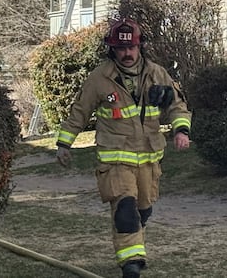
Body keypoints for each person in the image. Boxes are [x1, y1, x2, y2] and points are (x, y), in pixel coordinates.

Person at [55, 18, 191, 278]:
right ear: (112, 50)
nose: (127, 54)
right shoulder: (100, 78)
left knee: (143, 210)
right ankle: (131, 264)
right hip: (115, 159)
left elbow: (177, 106)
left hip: (149, 159)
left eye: (131, 48)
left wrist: (181, 130)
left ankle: (134, 247)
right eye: (120, 49)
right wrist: (64, 143)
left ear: (140, 47)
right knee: (125, 210)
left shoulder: (157, 74)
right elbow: (79, 111)